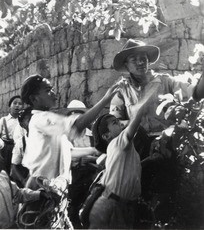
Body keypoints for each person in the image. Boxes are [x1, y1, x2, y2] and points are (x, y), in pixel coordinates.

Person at [20, 74, 119, 189]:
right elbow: (76, 126)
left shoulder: (48, 122)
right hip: (41, 187)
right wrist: (105, 99)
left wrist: (93, 150)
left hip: (54, 187)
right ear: (34, 99)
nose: (53, 92)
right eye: (48, 90)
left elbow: (68, 151)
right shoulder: (40, 119)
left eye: (52, 88)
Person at [88, 85, 155, 229]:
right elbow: (137, 118)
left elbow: (129, 171)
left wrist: (150, 160)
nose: (120, 123)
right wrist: (150, 89)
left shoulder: (121, 148)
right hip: (112, 206)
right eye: (114, 123)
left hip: (118, 205)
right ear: (106, 136)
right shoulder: (118, 142)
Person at [110, 39, 200, 136]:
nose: (140, 62)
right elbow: (114, 121)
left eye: (143, 58)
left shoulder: (166, 81)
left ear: (148, 61)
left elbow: (192, 91)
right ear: (126, 65)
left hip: (164, 141)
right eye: (134, 59)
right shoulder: (122, 90)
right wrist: (131, 125)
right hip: (136, 143)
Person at [67, 100, 100, 228]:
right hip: (74, 178)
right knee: (73, 209)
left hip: (91, 177)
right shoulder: (67, 137)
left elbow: (101, 155)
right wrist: (77, 160)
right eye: (73, 115)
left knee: (90, 208)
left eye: (80, 115)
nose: (76, 119)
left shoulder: (93, 135)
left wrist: (90, 159)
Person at [0, 95, 23, 174]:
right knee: (5, 169)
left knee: (18, 169)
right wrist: (2, 144)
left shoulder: (23, 120)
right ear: (10, 106)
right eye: (15, 103)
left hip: (19, 148)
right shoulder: (4, 120)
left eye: (20, 104)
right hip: (6, 148)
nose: (17, 105)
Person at [10, 107, 32, 187]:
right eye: (29, 120)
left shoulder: (44, 140)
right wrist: (23, 181)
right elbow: (14, 165)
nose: (33, 123)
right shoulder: (21, 142)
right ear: (22, 124)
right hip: (27, 175)